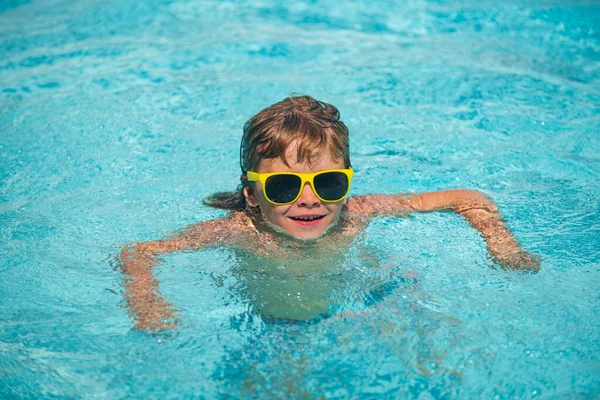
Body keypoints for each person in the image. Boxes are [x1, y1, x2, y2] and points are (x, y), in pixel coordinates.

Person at [118, 94, 540, 331]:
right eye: (283, 186)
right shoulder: (237, 232)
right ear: (250, 193)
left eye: (328, 182)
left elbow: (469, 197)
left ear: (347, 182)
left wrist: (502, 247)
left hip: (373, 300)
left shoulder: (360, 211)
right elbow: (138, 252)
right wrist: (149, 304)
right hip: (275, 323)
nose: (309, 199)